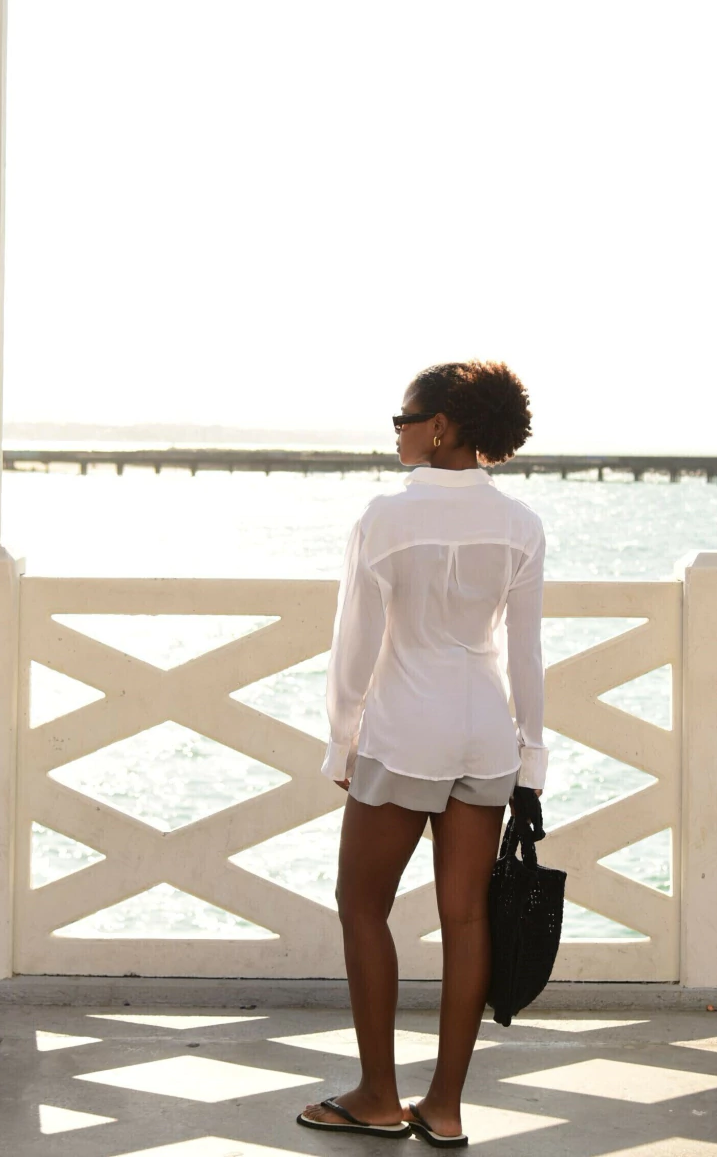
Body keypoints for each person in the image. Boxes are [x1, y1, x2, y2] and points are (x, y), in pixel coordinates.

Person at [297, 360, 547, 1147]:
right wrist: (532, 753)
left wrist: (342, 736)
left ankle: (377, 1096)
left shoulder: (385, 518)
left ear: (441, 427)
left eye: (404, 418)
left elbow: (355, 644)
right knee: (466, 918)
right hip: (486, 731)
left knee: (361, 904)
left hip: (406, 728)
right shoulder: (520, 523)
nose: (398, 431)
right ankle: (444, 1107)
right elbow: (527, 652)